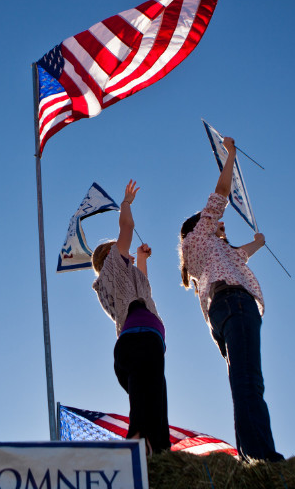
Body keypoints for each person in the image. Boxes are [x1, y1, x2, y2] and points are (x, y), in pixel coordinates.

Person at [178, 136, 284, 462]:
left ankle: (250, 455)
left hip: (226, 312)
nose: (220, 223)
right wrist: (231, 157)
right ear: (200, 225)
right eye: (214, 221)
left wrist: (258, 243)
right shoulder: (198, 238)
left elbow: (241, 256)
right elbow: (221, 194)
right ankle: (260, 456)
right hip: (236, 305)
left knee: (245, 382)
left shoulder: (213, 252)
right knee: (249, 382)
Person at [91, 180, 170, 455]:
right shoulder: (113, 264)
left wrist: (141, 257)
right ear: (111, 255)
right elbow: (127, 228)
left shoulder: (123, 278)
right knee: (148, 409)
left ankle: (157, 453)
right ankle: (139, 446)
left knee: (153, 402)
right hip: (140, 341)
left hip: (139, 343)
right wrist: (125, 204)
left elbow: (143, 290)